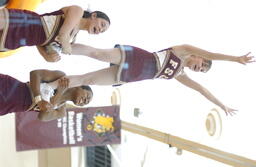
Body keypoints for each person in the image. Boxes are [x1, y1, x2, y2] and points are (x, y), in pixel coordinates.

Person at [49, 43, 255, 116]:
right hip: (136, 57)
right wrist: (235, 59)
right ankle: (61, 46)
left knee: (90, 80)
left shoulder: (179, 75)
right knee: (98, 54)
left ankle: (49, 87)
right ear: (199, 57)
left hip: (133, 75)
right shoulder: (182, 51)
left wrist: (222, 106)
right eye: (201, 64)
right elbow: (211, 53)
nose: (197, 68)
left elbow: (202, 90)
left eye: (199, 70)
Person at [0, 5, 110, 62]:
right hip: (17, 21)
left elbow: (42, 42)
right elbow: (63, 34)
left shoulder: (72, 39)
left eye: (102, 31)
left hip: (14, 41)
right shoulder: (78, 11)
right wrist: (65, 43)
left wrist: (46, 55)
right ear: (94, 15)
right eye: (102, 25)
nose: (100, 30)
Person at [0, 69, 93, 121]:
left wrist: (59, 93)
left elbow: (42, 117)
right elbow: (35, 74)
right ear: (80, 86)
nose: (85, 102)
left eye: (86, 103)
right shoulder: (61, 77)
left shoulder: (61, 112)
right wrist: (38, 100)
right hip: (10, 87)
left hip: (9, 106)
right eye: (87, 97)